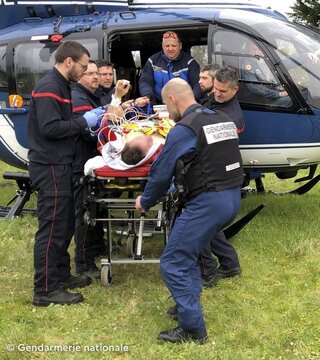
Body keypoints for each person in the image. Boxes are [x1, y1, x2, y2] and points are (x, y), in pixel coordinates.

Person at [135, 78, 243, 344]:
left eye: (165, 102)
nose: (166, 110)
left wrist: (145, 201)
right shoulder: (219, 117)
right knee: (189, 253)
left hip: (209, 202)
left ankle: (193, 329)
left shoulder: (184, 129)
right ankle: (185, 308)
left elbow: (161, 173)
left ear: (172, 99)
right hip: (231, 197)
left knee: (173, 262)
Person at [28, 41, 104, 306]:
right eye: (83, 67)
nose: (85, 72)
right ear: (69, 62)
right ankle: (45, 290)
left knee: (64, 225)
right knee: (52, 228)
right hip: (50, 165)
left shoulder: (62, 86)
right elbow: (50, 128)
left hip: (61, 163)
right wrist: (84, 121)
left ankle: (61, 275)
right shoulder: (50, 87)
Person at [198, 64, 243, 288]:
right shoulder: (215, 101)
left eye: (222, 91)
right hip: (216, 172)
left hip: (218, 175)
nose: (216, 93)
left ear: (235, 90)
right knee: (211, 224)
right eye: (215, 88)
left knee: (201, 223)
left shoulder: (231, 117)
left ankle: (208, 273)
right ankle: (229, 264)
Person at [72, 60, 106, 279]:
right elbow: (89, 131)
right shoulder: (79, 98)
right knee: (85, 212)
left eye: (97, 73)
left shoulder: (93, 96)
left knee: (97, 207)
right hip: (80, 163)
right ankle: (83, 262)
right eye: (90, 73)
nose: (95, 77)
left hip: (91, 161)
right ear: (80, 77)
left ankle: (95, 248)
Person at [139, 31, 201, 104]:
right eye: (167, 46)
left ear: (180, 46)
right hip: (158, 105)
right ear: (162, 46)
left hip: (184, 105)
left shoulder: (190, 63)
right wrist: (147, 96)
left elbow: (198, 83)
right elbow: (145, 81)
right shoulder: (152, 61)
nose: (170, 49)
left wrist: (191, 102)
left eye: (174, 46)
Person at [240, 42, 291, 106]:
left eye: (259, 50)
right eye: (253, 50)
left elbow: (284, 63)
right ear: (249, 51)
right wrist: (278, 94)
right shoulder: (248, 65)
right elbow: (255, 87)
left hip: (273, 92)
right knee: (292, 101)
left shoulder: (266, 61)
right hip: (264, 100)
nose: (256, 53)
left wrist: (305, 56)